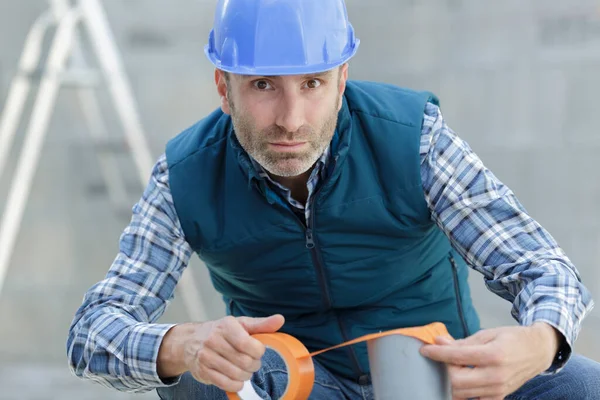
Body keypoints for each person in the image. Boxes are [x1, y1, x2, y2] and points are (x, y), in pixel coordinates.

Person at [67, 0, 599, 399]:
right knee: (205, 383)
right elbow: (92, 331)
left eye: (313, 84)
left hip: (438, 379)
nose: (291, 120)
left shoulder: (414, 140)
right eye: (263, 86)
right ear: (223, 88)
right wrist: (181, 345)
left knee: (578, 383)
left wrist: (541, 342)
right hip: (299, 383)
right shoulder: (183, 175)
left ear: (342, 81)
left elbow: (540, 266)